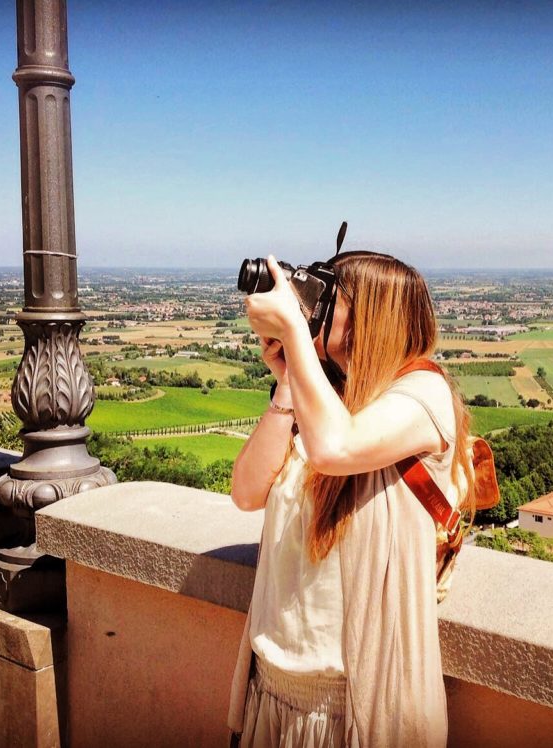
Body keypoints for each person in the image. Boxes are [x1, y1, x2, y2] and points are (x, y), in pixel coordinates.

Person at [227, 251, 476, 748]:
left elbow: (336, 450)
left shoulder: (423, 394)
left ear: (372, 316)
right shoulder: (327, 398)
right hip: (275, 685)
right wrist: (285, 385)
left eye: (326, 299)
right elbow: (246, 492)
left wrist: (295, 337)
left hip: (355, 703)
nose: (310, 311)